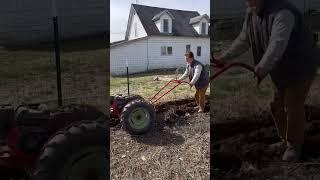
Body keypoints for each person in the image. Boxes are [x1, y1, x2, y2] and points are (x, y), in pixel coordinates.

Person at [214, 0, 319, 162]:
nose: (248, 1)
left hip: (301, 66)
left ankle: (294, 147)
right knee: (276, 107)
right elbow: (244, 39)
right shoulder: (252, 11)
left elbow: (277, 43)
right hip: (282, 70)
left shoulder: (283, 13)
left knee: (292, 106)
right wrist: (225, 58)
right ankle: (285, 140)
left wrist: (263, 66)